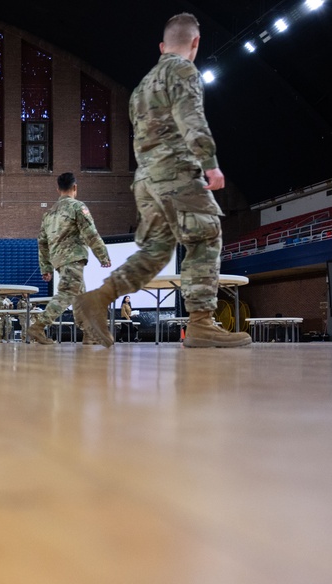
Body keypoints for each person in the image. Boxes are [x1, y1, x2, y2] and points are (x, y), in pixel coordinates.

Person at [74, 13, 250, 348]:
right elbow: (191, 118)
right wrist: (210, 164)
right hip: (177, 172)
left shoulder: (141, 88)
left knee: (157, 250)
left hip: (146, 179)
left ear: (161, 46)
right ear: (195, 44)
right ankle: (200, 323)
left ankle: (98, 298)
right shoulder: (182, 70)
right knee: (206, 236)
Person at [26, 172, 111, 345]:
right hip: (73, 257)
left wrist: (46, 267)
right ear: (75, 187)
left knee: (80, 296)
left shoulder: (48, 214)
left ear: (58, 189)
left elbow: (42, 243)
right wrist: (103, 255)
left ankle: (88, 334)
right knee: (67, 293)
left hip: (59, 260)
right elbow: (90, 233)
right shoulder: (77, 207)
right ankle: (38, 326)